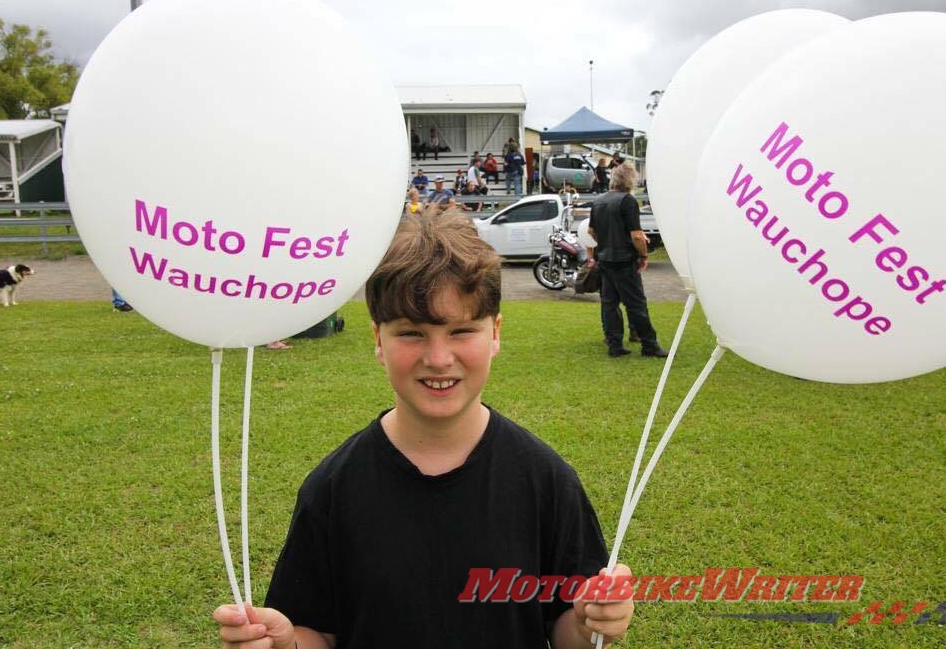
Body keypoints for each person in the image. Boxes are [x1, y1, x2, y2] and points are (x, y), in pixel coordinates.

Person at [212, 209, 634, 648]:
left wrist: (590, 622)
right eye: (412, 333)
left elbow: (565, 627)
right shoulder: (335, 487)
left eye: (461, 331)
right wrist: (287, 643)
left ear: (495, 333)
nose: (437, 358)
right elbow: (316, 629)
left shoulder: (545, 480)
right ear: (378, 339)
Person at [588, 161, 667, 358]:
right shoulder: (627, 201)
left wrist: (605, 243)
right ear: (630, 180)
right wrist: (643, 255)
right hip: (624, 260)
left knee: (609, 303)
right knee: (636, 304)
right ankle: (649, 344)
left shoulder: (598, 201)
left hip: (605, 258)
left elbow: (591, 231)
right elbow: (637, 235)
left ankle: (614, 344)